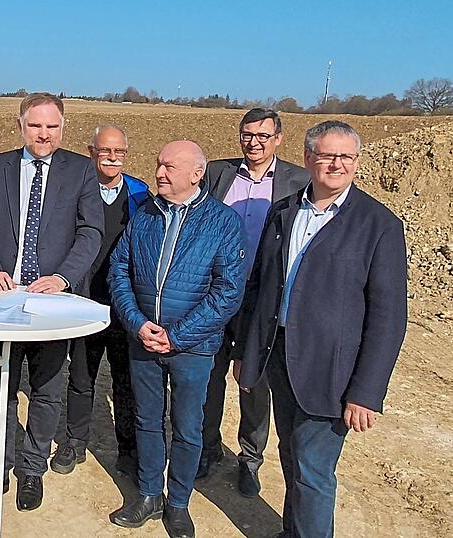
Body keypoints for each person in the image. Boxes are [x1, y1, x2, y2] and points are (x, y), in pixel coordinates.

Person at [234, 121, 407, 538]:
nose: (336, 164)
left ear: (356, 162)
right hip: (280, 357)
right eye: (327, 155)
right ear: (308, 158)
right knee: (291, 456)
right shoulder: (284, 211)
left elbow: (388, 317)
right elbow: (260, 286)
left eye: (346, 156)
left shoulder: (378, 225)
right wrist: (246, 353)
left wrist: (366, 393)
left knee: (313, 470)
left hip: (332, 372)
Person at [0, 92, 103, 511]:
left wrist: (62, 277)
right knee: (1, 386)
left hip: (51, 302)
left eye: (52, 127)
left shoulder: (80, 170)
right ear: (20, 125)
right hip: (3, 296)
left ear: (63, 128)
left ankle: (31, 468)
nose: (44, 134)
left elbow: (90, 232)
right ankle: (1, 463)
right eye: (36, 126)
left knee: (46, 390)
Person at [108, 140, 246, 538]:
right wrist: (136, 323)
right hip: (144, 341)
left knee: (187, 427)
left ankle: (179, 502)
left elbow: (227, 292)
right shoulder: (146, 213)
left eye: (169, 166)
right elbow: (120, 268)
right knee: (147, 420)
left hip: (193, 348)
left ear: (196, 174)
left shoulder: (222, 221)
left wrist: (177, 335)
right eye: (158, 164)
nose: (159, 173)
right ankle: (149, 494)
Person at [198, 108, 309, 495]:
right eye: (247, 135)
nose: (254, 143)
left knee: (254, 382)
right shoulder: (217, 173)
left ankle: (249, 459)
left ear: (278, 138)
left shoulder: (299, 181)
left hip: (262, 297)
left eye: (263, 135)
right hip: (214, 293)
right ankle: (206, 448)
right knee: (207, 374)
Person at [51, 125, 149, 477]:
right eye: (105, 151)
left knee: (125, 379)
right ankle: (74, 441)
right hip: (83, 300)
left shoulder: (140, 195)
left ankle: (127, 448)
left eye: (119, 152)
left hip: (124, 304)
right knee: (81, 374)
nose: (112, 157)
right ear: (91, 151)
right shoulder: (75, 191)